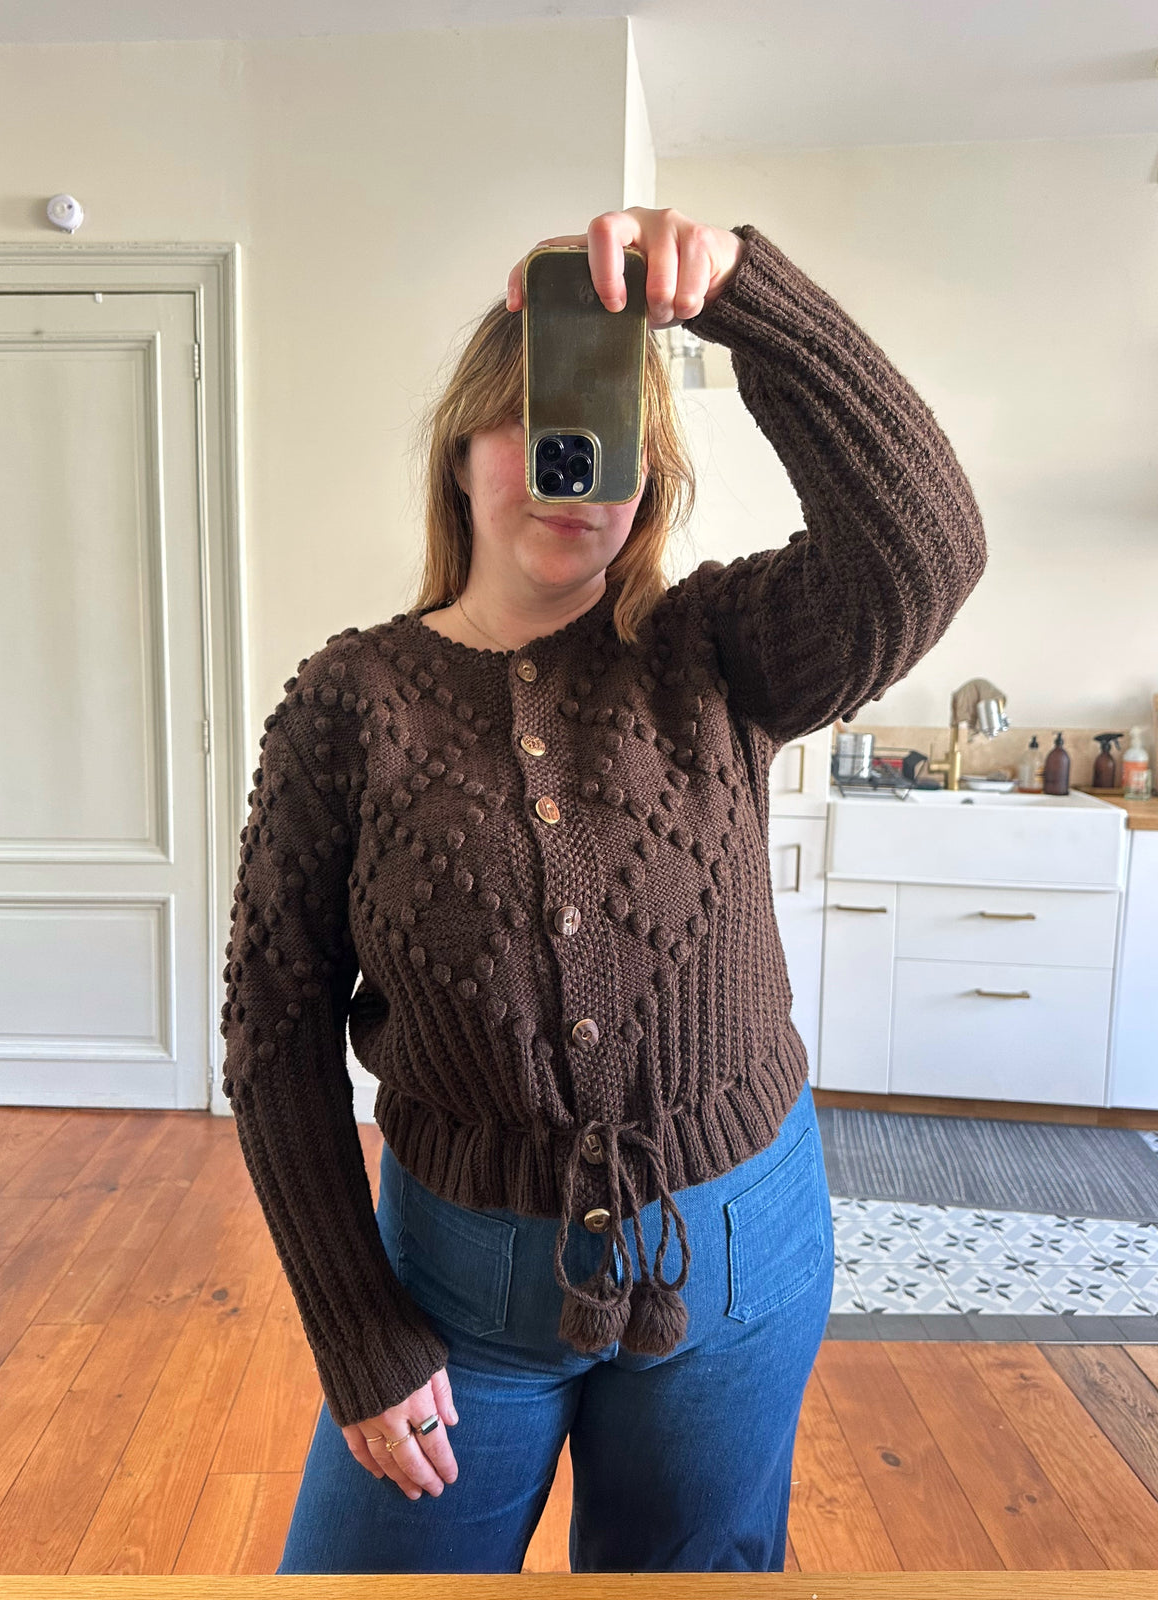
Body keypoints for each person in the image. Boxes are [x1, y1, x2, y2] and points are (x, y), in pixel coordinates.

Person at [220, 206, 987, 1573]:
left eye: (605, 432)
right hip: (457, 1287)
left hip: (739, 1255)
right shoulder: (350, 704)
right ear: (460, 449)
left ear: (652, 476)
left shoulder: (717, 650)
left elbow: (926, 551)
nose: (568, 468)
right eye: (529, 421)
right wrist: (357, 1331)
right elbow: (273, 1032)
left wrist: (745, 294)